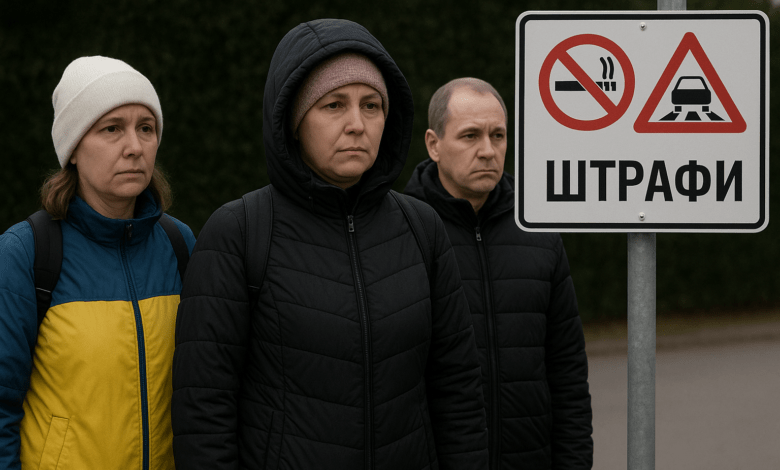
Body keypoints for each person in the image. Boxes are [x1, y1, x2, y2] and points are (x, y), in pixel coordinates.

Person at [171, 19, 488, 470]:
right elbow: (203, 411)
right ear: (293, 122)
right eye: (334, 105)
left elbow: (457, 392)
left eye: (371, 105)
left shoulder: (422, 228)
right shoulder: (239, 232)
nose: (357, 125)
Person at [0, 56, 195, 469]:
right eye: (112, 128)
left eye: (146, 128)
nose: (135, 147)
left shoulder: (180, 244)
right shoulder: (25, 254)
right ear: (73, 148)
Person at [405, 77, 593, 470]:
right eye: (470, 136)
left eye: (498, 135)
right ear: (434, 144)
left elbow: (567, 370)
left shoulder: (539, 230)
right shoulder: (403, 232)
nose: (488, 151)